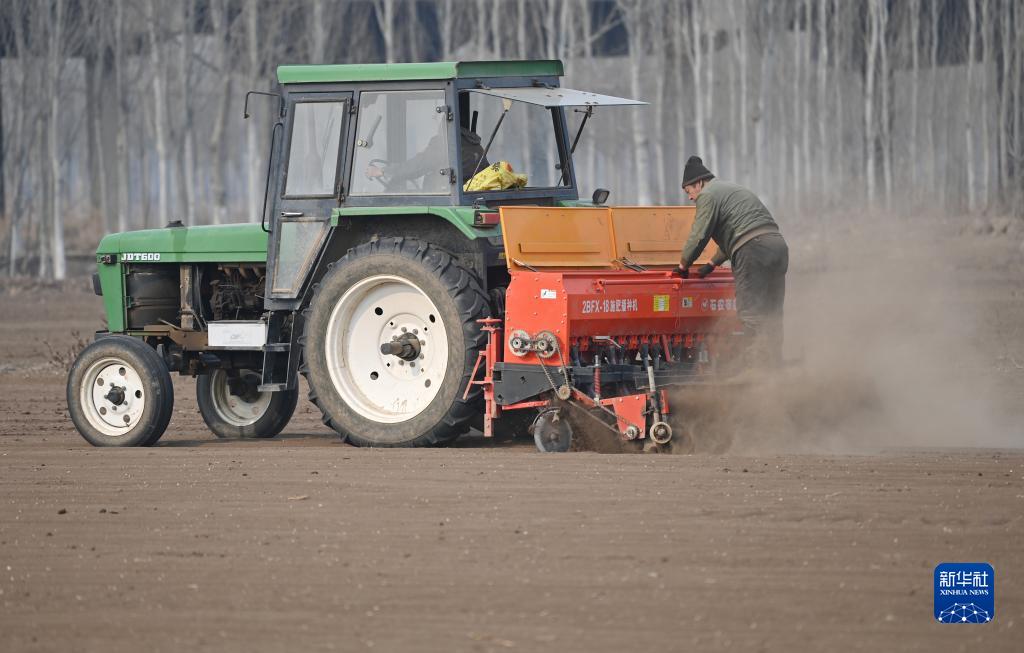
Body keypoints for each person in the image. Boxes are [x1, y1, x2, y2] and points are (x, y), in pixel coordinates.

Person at [674, 156, 789, 367]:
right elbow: (740, 230)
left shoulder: (707, 195)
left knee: (750, 312)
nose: (690, 198)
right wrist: (712, 264)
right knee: (772, 313)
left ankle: (755, 369)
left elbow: (700, 235)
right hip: (777, 246)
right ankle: (774, 366)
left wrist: (683, 265)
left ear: (698, 183)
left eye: (688, 191)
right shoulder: (730, 189)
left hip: (752, 251)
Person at [366, 126, 488, 191]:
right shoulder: (475, 145)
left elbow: (419, 165)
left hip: (446, 196)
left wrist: (383, 171)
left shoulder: (446, 143)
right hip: (469, 196)